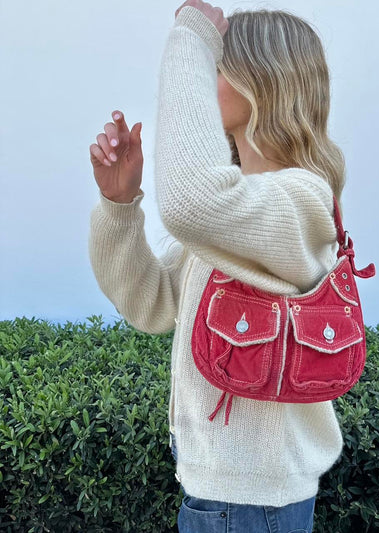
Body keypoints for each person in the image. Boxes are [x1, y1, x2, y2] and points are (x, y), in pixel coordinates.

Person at [89, 0, 349, 531]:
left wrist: (191, 34)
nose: (206, 76)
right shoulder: (241, 211)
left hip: (251, 505)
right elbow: (152, 303)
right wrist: (119, 206)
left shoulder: (297, 201)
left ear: (262, 80)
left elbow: (190, 199)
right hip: (227, 497)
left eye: (218, 64)